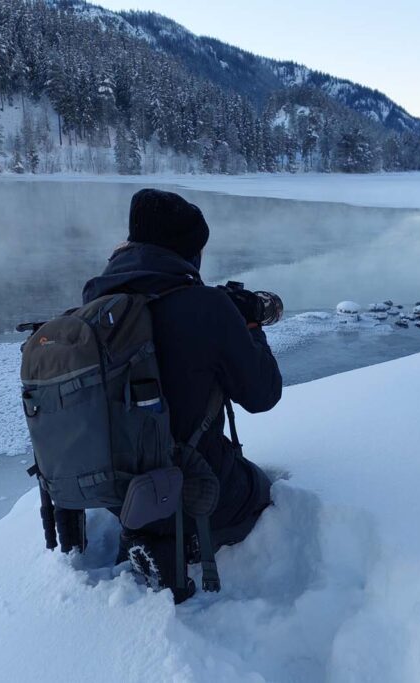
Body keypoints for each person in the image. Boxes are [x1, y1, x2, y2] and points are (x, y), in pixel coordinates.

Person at [81, 188, 282, 601]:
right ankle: (185, 542)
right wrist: (249, 325)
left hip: (118, 490)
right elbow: (264, 395)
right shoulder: (207, 307)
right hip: (198, 489)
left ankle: (147, 532)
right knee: (261, 489)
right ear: (189, 251)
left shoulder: (99, 303)